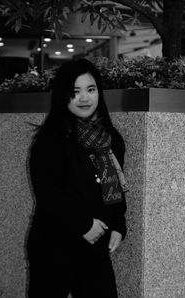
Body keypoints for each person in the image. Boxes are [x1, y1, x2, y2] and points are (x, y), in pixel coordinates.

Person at [26, 58, 128, 298]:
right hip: (54, 246)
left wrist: (118, 226)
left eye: (91, 90)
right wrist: (83, 224)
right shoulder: (50, 140)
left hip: (94, 249)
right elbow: (48, 193)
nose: (85, 98)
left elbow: (115, 186)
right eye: (75, 92)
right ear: (63, 95)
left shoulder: (111, 138)